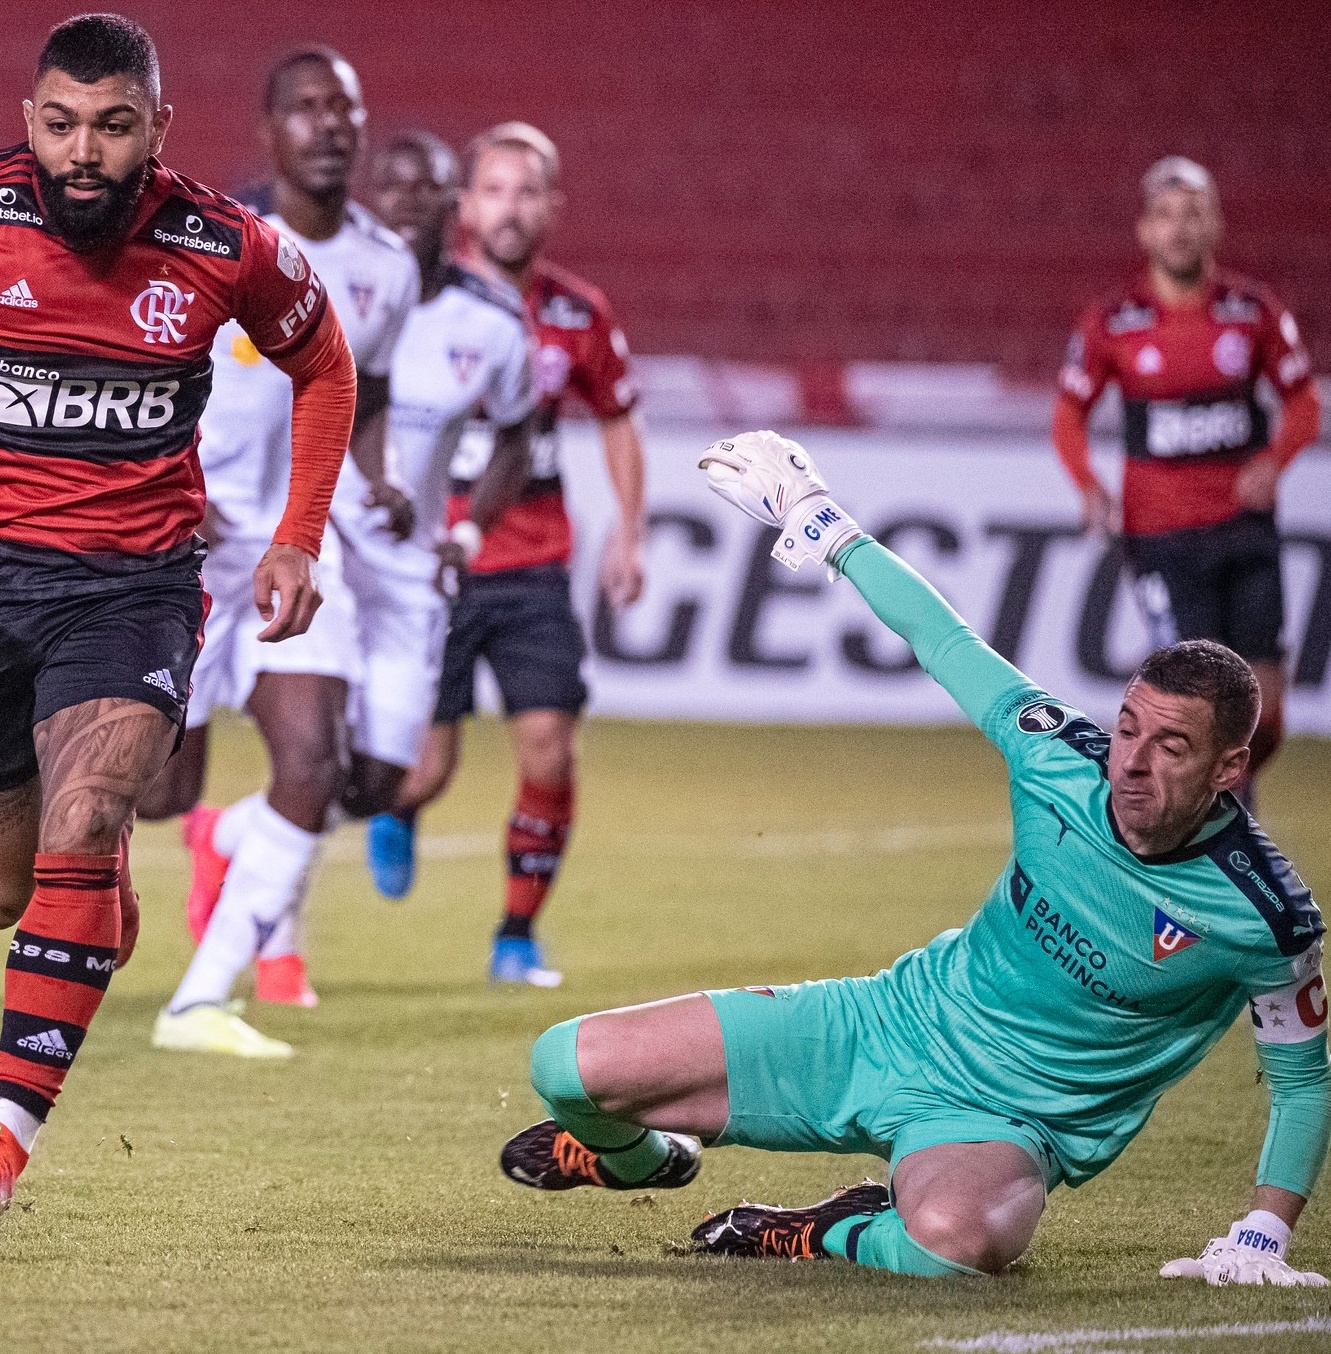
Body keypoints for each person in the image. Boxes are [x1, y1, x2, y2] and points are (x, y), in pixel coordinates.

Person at [500, 430, 1329, 1285]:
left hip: (1002, 1124)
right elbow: (946, 641)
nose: (1130, 762)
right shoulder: (1058, 758)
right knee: (563, 1065)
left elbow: (1302, 1083)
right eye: (1127, 727)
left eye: (1171, 747)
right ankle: (640, 1161)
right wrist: (825, 526)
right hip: (887, 1025)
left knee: (955, 1245)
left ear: (1231, 768)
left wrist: (1262, 1234)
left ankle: (821, 1231)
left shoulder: (1261, 913)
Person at [0, 13, 355, 1239]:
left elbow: (327, 364)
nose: (81, 152)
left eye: (111, 126)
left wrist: (299, 533)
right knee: (6, 891)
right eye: (59, 124)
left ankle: (1, 1134)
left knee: (90, 813)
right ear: (30, 118)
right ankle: (85, 906)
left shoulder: (224, 243)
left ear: (159, 125)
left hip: (133, 586)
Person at [152, 129, 536, 1057]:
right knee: (164, 788)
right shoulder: (257, 258)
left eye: (427, 188)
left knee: (366, 780)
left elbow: (502, 428)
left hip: (349, 564)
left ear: (455, 206)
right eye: (391, 186)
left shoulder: (477, 317)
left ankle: (210, 978)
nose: (406, 203)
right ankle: (217, 891)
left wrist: (455, 526)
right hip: (266, 548)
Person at [136, 47, 420, 1058]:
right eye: (306, 108)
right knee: (163, 788)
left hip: (296, 541)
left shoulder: (389, 265)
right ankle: (199, 829)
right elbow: (147, 367)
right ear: (269, 130)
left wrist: (373, 478)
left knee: (314, 760)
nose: (330, 124)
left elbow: (362, 390)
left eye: (344, 107)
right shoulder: (215, 243)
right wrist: (170, 478)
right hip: (179, 538)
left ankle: (202, 998)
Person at [364, 122, 647, 990]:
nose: (511, 208)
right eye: (494, 189)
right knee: (425, 768)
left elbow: (617, 416)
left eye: (528, 191)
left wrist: (628, 529)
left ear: (552, 208)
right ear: (464, 205)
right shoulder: (416, 300)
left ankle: (516, 935)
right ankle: (399, 808)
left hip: (532, 565)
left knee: (549, 748)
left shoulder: (575, 312)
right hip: (434, 565)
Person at [1055, 156, 1320, 802]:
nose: (1178, 229)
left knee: (1264, 711)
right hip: (1164, 542)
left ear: (1214, 225)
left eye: (1192, 213)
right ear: (1144, 230)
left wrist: (1273, 459)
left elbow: (1304, 402)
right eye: (1166, 216)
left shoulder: (1250, 311)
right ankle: (1203, 841)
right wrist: (1087, 485)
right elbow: (1068, 414)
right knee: (1197, 703)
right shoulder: (1113, 322)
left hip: (1245, 532)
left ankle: (1218, 810)